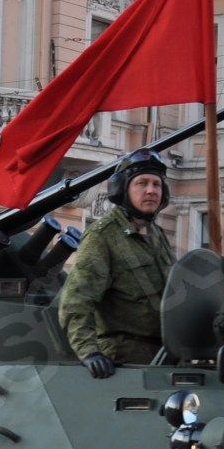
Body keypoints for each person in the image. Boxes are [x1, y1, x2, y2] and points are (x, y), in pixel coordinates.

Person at [57, 148, 176, 378]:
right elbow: (76, 301)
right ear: (123, 189)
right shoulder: (103, 236)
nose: (151, 190)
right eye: (142, 183)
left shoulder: (157, 235)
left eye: (156, 184)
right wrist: (89, 352)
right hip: (122, 363)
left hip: (164, 358)